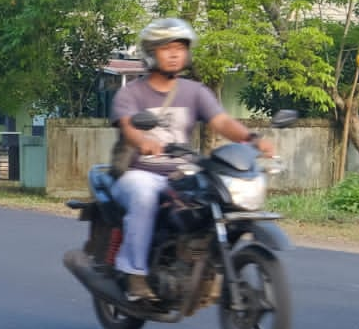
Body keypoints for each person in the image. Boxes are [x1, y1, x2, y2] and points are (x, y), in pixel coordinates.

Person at [109, 17, 274, 301]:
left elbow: (221, 121)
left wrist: (251, 139)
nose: (174, 54)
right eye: (166, 48)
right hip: (140, 172)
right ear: (151, 53)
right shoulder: (131, 93)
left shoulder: (194, 91)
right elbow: (128, 126)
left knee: (216, 201)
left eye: (180, 48)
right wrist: (144, 141)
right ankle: (134, 274)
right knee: (145, 197)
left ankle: (201, 266)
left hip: (181, 172)